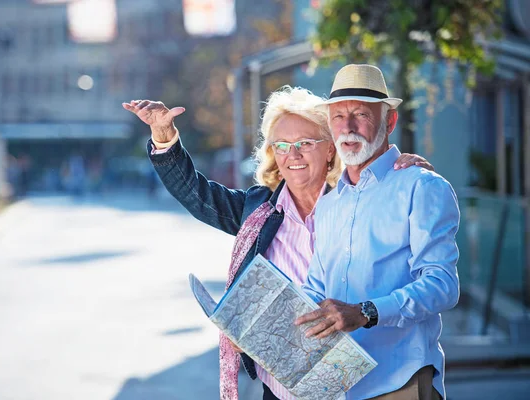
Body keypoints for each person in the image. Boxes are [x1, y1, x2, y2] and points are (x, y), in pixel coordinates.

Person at [122, 87, 434, 400]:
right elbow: (195, 193)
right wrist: (163, 134)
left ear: (331, 149)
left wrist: (404, 178)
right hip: (282, 390)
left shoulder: (364, 202)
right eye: (282, 145)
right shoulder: (258, 211)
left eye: (305, 143)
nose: (293, 154)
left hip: (368, 385)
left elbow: (416, 257)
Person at [295, 65, 460, 400]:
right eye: (339, 116)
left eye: (360, 114)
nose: (348, 126)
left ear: (389, 122)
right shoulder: (328, 206)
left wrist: (365, 312)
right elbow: (315, 289)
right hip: (338, 384)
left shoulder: (422, 186)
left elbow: (443, 285)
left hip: (400, 383)